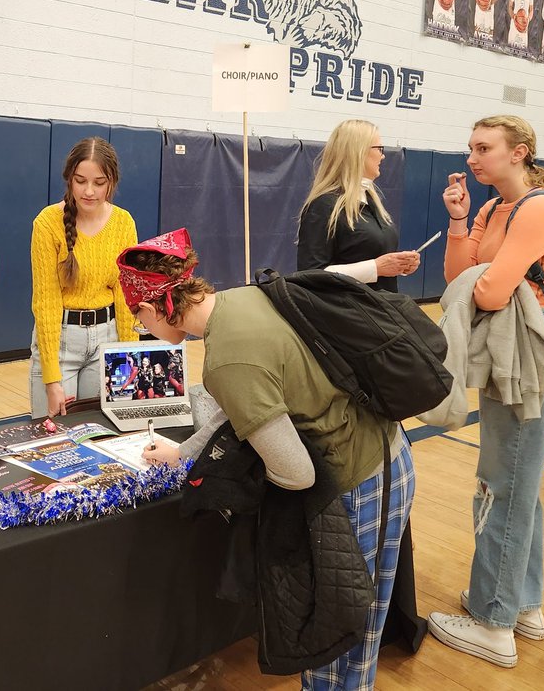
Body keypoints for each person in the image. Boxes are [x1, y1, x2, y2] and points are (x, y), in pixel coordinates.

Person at [124, 229, 412, 690]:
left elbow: (294, 473)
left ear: (157, 305)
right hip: (382, 455)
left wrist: (238, 475)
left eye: (138, 316)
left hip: (357, 481)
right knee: (356, 629)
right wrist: (184, 452)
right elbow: (237, 404)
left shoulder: (226, 360)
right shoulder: (242, 299)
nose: (142, 329)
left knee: (335, 643)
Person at [428, 115, 544, 668]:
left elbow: (487, 293)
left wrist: (481, 277)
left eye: (484, 148)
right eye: (470, 147)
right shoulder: (492, 209)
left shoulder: (540, 207)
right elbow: (455, 279)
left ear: (519, 153)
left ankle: (493, 620)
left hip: (533, 363)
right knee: (518, 486)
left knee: (502, 485)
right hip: (512, 361)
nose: (473, 158)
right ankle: (524, 605)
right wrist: (461, 221)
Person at [29, 137, 138, 417]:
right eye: (80, 181)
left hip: (107, 338)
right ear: (69, 179)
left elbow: (125, 297)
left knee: (101, 434)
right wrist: (52, 380)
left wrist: (129, 357)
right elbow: (46, 302)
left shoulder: (124, 222)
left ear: (111, 182)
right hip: (61, 340)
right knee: (53, 439)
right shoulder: (47, 223)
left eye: (99, 183)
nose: (89, 191)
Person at [297, 119, 420, 289]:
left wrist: (400, 265)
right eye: (379, 149)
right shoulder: (323, 206)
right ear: (359, 152)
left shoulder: (371, 199)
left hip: (382, 306)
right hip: (349, 310)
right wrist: (375, 268)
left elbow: (373, 257)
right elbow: (310, 275)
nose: (383, 155)